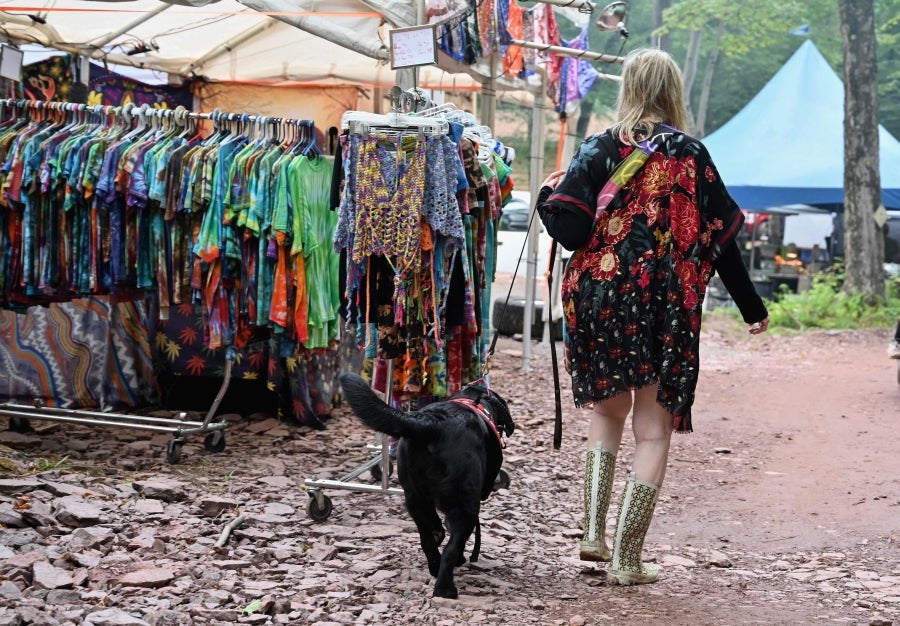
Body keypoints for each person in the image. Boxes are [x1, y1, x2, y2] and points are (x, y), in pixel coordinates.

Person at [535, 48, 770, 586]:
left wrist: (552, 194)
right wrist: (752, 307)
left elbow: (569, 230)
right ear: (673, 91)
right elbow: (723, 240)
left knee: (607, 413)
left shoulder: (598, 147)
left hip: (602, 296)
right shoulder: (692, 155)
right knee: (653, 429)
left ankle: (593, 533)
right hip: (666, 303)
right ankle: (626, 558)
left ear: (629, 87)